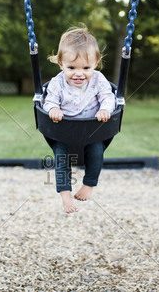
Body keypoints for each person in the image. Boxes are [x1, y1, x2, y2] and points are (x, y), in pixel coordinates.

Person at [43, 26, 116, 214]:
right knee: (61, 159)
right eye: (71, 67)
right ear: (61, 64)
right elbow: (48, 100)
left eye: (86, 67)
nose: (79, 73)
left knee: (97, 152)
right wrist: (53, 109)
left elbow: (108, 97)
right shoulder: (57, 82)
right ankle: (65, 195)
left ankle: (89, 184)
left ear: (96, 63)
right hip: (63, 131)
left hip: (92, 131)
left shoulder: (99, 80)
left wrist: (105, 109)